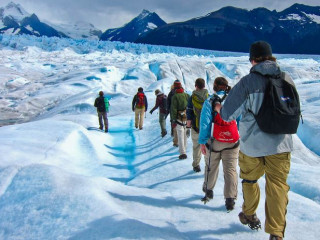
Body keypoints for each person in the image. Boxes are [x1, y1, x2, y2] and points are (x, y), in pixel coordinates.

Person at [215, 41, 296, 240]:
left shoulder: (247, 82)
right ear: (271, 57)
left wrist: (218, 108)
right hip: (281, 144)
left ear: (253, 60)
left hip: (252, 146)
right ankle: (276, 233)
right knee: (277, 186)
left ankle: (249, 214)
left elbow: (227, 114)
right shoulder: (287, 78)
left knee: (250, 180)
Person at [198, 77, 240, 211]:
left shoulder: (210, 101)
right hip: (232, 141)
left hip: (215, 141)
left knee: (211, 166)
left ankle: (208, 190)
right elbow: (239, 120)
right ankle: (230, 199)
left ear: (215, 87)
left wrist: (202, 142)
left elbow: (205, 123)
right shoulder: (234, 100)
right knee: (230, 170)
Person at [186, 78, 209, 172]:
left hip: (196, 128)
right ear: (204, 86)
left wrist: (188, 126)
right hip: (207, 128)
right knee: (207, 147)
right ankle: (208, 165)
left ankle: (196, 165)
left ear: (196, 86)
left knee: (196, 147)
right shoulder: (209, 96)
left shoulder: (192, 97)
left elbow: (189, 113)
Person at [171, 81, 190, 159]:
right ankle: (184, 149)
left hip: (179, 118)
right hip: (186, 117)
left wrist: (173, 120)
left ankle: (183, 153)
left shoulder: (175, 97)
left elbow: (174, 109)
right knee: (185, 134)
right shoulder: (187, 95)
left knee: (180, 135)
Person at [167, 80, 180, 147]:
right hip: (181, 112)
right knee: (181, 126)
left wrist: (169, 110)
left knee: (173, 124)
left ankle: (175, 141)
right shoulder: (182, 91)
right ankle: (181, 141)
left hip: (173, 112)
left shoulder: (171, 92)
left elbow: (168, 102)